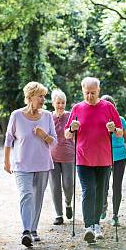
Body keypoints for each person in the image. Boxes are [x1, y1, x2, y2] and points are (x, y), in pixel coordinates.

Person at [64, 77, 123, 244]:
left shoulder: (108, 107)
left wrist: (114, 129)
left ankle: (97, 225)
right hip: (83, 158)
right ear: (83, 91)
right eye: (87, 93)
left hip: (104, 158)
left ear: (99, 91)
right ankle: (88, 227)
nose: (90, 96)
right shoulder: (77, 108)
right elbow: (67, 135)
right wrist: (71, 128)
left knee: (100, 193)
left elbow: (120, 132)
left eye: (93, 93)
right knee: (88, 190)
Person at [4, 82, 57, 248]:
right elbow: (9, 139)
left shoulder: (48, 116)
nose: (43, 99)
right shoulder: (17, 116)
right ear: (30, 97)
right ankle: (26, 231)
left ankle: (33, 229)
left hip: (42, 164)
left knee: (37, 198)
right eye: (40, 96)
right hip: (22, 165)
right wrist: (6, 160)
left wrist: (43, 135)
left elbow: (54, 142)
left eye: (44, 96)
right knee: (26, 195)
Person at [100, 95, 126, 227]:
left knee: (116, 186)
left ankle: (115, 215)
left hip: (119, 156)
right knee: (103, 185)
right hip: (104, 156)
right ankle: (103, 206)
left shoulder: (120, 120)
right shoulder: (99, 120)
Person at [49, 89, 75, 225]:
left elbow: (76, 135)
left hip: (68, 155)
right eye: (58, 103)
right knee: (54, 186)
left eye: (63, 103)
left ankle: (68, 203)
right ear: (53, 103)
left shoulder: (71, 116)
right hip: (51, 157)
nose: (60, 105)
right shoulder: (48, 117)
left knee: (68, 185)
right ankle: (58, 215)